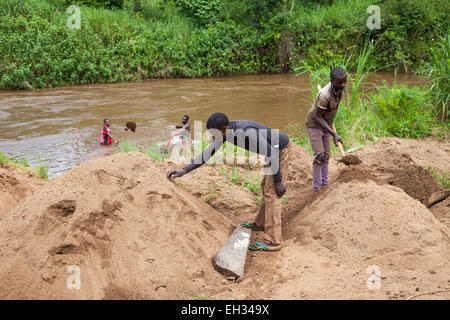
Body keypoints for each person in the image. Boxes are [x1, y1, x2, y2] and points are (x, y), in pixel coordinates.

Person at [167, 113, 293, 252]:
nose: (214, 137)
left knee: (272, 193)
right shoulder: (225, 133)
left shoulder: (246, 131)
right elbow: (207, 154)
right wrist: (184, 170)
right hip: (271, 153)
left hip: (279, 151)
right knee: (265, 188)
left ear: (223, 128)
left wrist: (278, 180)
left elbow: (271, 152)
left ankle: (273, 240)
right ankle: (260, 223)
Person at [305, 67, 347, 193]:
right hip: (315, 124)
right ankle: (317, 190)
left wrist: (330, 130)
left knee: (327, 157)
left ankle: (325, 186)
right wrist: (333, 133)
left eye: (345, 81)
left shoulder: (341, 89)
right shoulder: (324, 95)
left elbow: (329, 112)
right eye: (340, 82)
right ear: (332, 81)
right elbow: (317, 116)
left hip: (326, 124)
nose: (343, 84)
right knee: (320, 156)